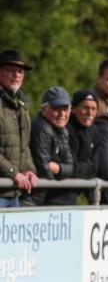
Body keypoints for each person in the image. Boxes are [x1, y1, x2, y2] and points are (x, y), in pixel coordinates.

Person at [0, 49, 39, 207]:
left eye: (20, 71)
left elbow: (24, 145)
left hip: (14, 192)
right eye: (11, 70)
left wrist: (30, 170)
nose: (16, 75)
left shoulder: (22, 104)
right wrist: (14, 173)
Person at [26, 87, 74, 206]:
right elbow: (43, 168)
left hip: (44, 197)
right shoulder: (41, 128)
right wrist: (60, 171)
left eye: (66, 109)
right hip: (33, 199)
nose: (62, 114)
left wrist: (58, 168)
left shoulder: (63, 130)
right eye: (57, 109)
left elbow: (70, 167)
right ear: (44, 110)